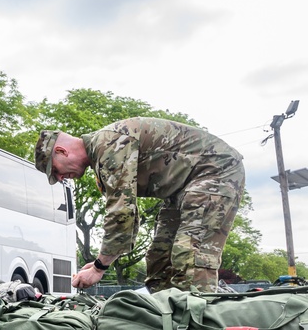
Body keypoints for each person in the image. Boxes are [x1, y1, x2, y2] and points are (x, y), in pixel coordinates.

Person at [34, 117, 245, 293]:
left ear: (61, 151)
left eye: (55, 171)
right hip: (182, 189)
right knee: (160, 258)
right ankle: (165, 324)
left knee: (190, 255)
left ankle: (197, 325)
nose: (60, 178)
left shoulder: (108, 144)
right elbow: (128, 220)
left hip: (217, 172)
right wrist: (102, 261)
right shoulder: (101, 159)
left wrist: (99, 268)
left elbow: (121, 214)